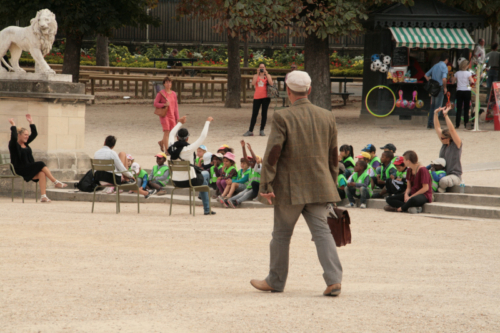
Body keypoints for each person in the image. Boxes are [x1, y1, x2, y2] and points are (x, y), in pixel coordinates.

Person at [251, 70, 343, 296]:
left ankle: (275, 281)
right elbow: (334, 156)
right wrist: (332, 186)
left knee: (281, 235)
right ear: (309, 90)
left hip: (290, 188)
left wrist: (265, 185)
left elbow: (273, 153)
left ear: (288, 91)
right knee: (323, 233)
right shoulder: (327, 115)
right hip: (320, 185)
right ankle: (334, 280)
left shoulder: (283, 116)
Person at [8, 115, 68, 203]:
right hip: (19, 169)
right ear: (19, 135)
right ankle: (55, 182)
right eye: (25, 135)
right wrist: (13, 125)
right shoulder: (13, 145)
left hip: (28, 168)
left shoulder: (26, 143)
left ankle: (43, 196)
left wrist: (31, 122)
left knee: (42, 173)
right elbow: (13, 138)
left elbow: (35, 134)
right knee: (40, 163)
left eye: (27, 135)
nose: (27, 137)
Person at [167, 115, 216, 215]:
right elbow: (203, 136)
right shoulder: (189, 149)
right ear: (187, 138)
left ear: (177, 137)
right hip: (190, 181)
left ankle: (203, 197)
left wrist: (180, 122)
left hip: (175, 181)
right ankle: (206, 207)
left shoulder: (171, 148)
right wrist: (207, 121)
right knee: (206, 174)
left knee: (203, 182)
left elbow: (170, 134)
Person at [433, 105, 463, 192]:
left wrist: (446, 115)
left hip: (454, 175)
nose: (440, 139)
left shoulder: (456, 145)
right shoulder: (444, 144)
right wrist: (435, 113)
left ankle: (441, 190)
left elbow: (452, 130)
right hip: (441, 173)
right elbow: (437, 128)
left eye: (442, 138)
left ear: (448, 138)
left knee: (443, 181)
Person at [227, 142, 262, 208]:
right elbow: (246, 158)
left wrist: (251, 150)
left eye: (252, 161)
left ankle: (236, 202)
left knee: (246, 194)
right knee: (242, 193)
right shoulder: (251, 168)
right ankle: (229, 200)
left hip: (256, 188)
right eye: (250, 161)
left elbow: (255, 160)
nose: (250, 162)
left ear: (256, 162)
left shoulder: (258, 168)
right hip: (250, 187)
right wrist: (243, 147)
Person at [243, 62, 273, 137]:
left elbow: (271, 83)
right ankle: (250, 130)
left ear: (265, 68)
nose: (262, 69)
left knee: (264, 113)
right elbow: (253, 83)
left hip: (266, 97)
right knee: (254, 114)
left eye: (263, 67)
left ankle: (262, 130)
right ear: (258, 68)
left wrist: (267, 74)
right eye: (260, 67)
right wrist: (257, 74)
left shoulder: (268, 76)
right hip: (257, 97)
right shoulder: (256, 76)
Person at [154, 76, 179, 153]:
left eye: (170, 82)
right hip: (164, 115)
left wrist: (177, 117)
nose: (169, 84)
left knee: (172, 132)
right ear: (164, 84)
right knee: (166, 131)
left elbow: (175, 106)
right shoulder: (161, 93)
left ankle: (162, 142)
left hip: (172, 115)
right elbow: (155, 103)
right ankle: (167, 150)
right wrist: (164, 104)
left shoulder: (174, 94)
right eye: (167, 82)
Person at [425, 52, 449, 129]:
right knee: (438, 107)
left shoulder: (435, 65)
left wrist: (431, 82)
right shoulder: (444, 66)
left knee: (432, 106)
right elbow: (444, 79)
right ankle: (435, 124)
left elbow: (426, 75)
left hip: (433, 88)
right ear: (446, 59)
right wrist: (445, 87)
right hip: (439, 87)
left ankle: (430, 123)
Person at [452, 60, 474, 129]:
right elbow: (472, 81)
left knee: (458, 108)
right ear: (467, 66)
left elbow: (453, 82)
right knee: (466, 108)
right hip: (467, 91)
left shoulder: (457, 73)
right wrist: (468, 86)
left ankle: (457, 124)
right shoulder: (468, 73)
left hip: (459, 91)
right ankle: (466, 123)